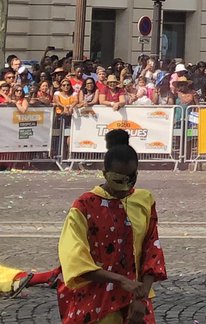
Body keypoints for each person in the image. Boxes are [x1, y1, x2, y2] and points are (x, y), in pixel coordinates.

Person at [56, 129, 167, 323]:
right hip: (96, 303)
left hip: (136, 305)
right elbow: (74, 260)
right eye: (118, 180)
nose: (124, 188)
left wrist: (141, 297)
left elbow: (152, 252)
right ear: (104, 174)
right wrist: (121, 281)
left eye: (131, 179)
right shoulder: (84, 206)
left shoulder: (144, 201)